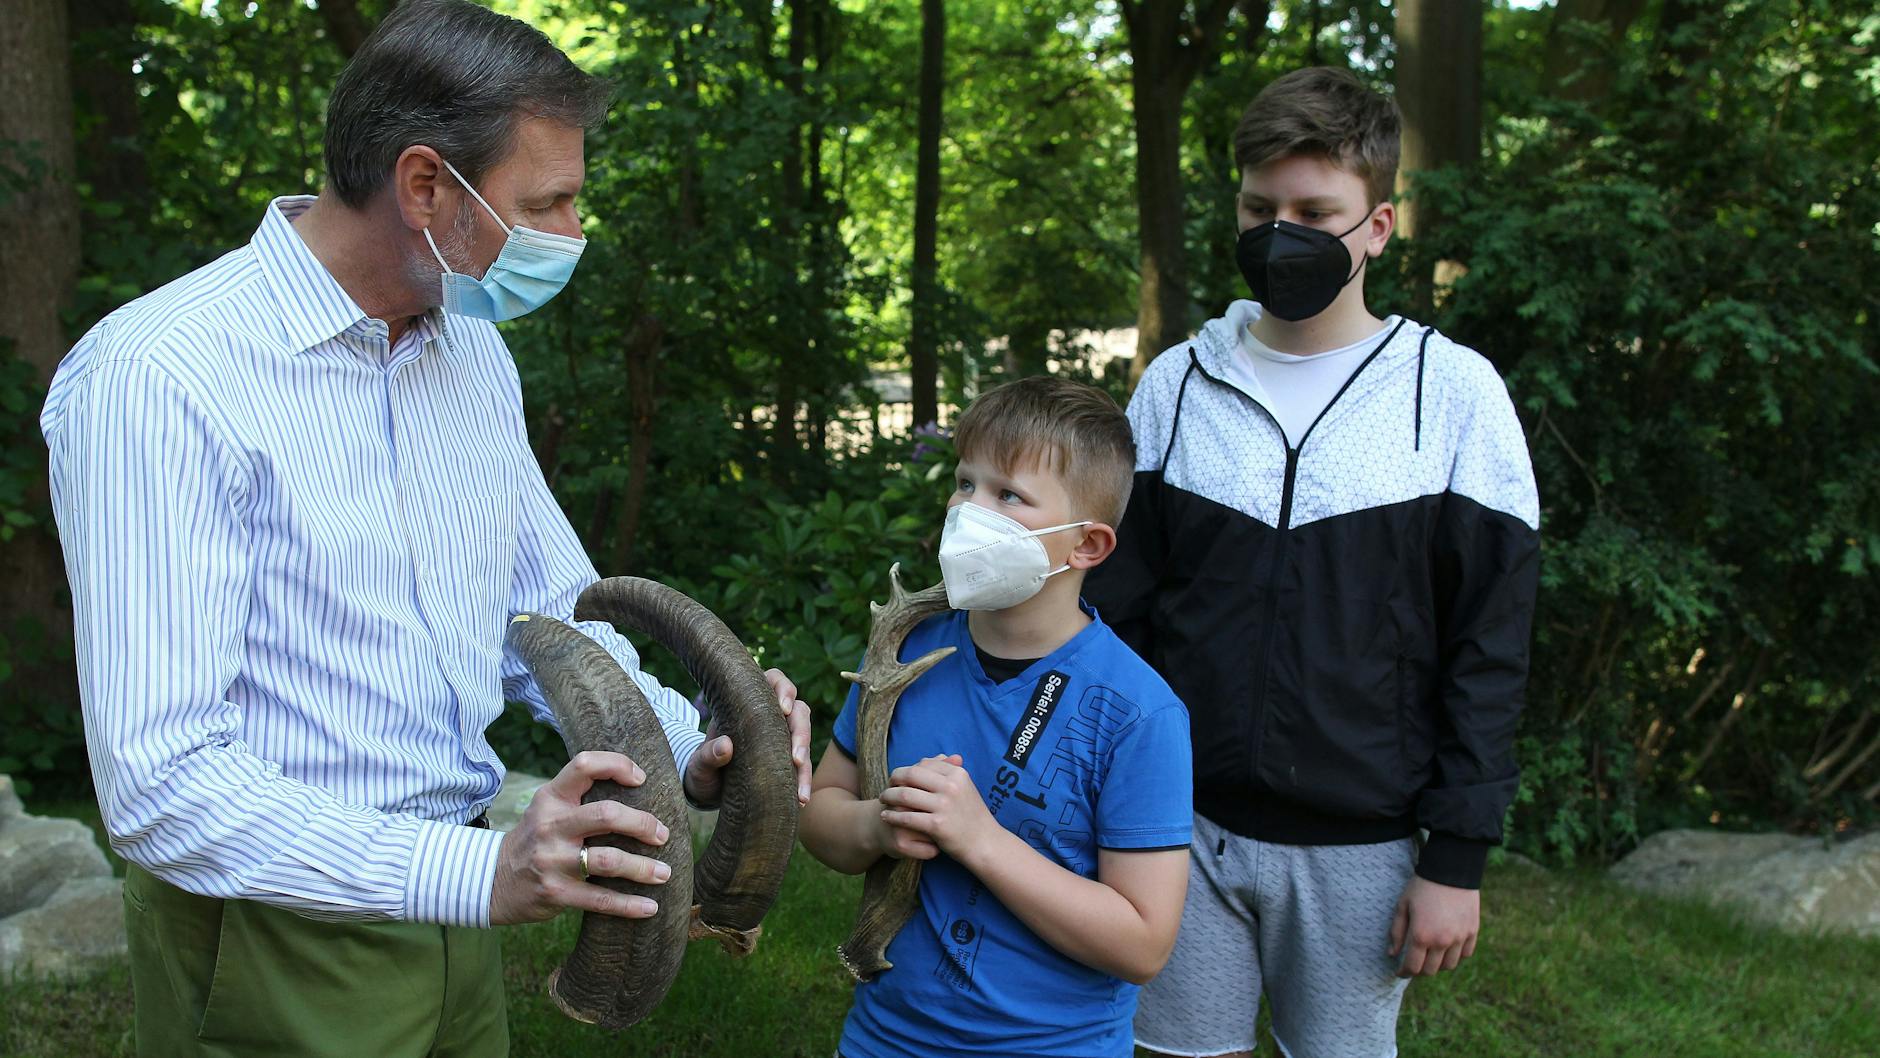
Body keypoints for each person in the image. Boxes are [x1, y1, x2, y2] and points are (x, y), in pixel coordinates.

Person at [37, 2, 811, 1055]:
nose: (572, 235)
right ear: (423, 185)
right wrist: (477, 872)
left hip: (459, 915)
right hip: (276, 929)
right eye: (551, 202)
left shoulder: (468, 346)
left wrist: (704, 747)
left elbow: (542, 615)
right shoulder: (160, 377)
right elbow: (159, 780)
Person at [1085, 66, 1541, 1058]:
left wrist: (1454, 859)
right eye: (1258, 206)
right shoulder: (1173, 384)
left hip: (1362, 848)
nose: (1277, 230)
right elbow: (1111, 613)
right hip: (1175, 825)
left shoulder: (1455, 396)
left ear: (1376, 225)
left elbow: (1488, 646)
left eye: (1311, 210)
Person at [799, 376, 1194, 1058]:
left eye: (1008, 494)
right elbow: (821, 813)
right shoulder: (907, 651)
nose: (968, 509)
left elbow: (1143, 943)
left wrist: (980, 840)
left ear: (1088, 546)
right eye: (964, 482)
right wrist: (877, 824)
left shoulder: (1139, 713)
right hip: (884, 1039)